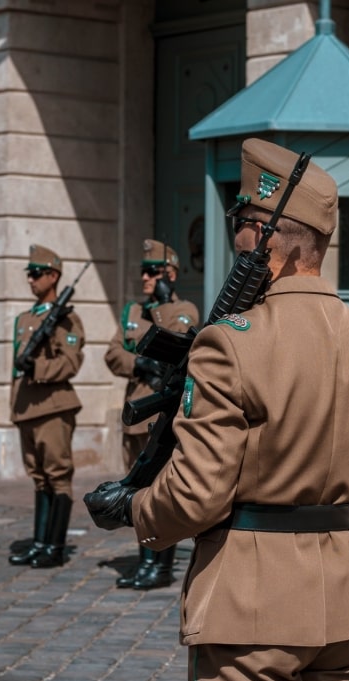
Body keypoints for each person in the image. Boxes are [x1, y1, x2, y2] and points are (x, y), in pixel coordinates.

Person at [86, 138, 349, 681]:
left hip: (248, 613)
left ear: (261, 236)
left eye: (240, 219)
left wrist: (134, 510)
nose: (235, 233)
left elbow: (197, 493)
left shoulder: (229, 344)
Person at [104, 239, 198, 589]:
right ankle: (146, 560)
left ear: (169, 274)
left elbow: (178, 341)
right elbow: (113, 353)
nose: (144, 277)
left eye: (151, 272)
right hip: (137, 411)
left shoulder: (182, 308)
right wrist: (139, 363)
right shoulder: (132, 312)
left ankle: (161, 564)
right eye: (142, 271)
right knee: (137, 489)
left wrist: (160, 302)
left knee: (161, 491)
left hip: (165, 413)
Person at [8, 244, 85, 569]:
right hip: (27, 406)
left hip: (53, 406)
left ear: (54, 275)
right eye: (29, 273)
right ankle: (40, 543)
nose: (31, 279)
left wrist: (35, 368)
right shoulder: (26, 318)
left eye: (37, 273)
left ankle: (54, 546)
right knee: (39, 477)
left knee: (57, 476)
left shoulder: (65, 319)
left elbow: (70, 362)